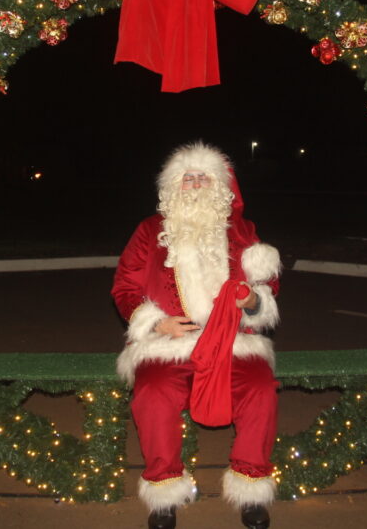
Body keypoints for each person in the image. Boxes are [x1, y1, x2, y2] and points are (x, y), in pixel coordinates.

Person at [112, 142, 282, 529]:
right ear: (173, 185)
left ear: (220, 187)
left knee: (259, 389)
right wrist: (156, 323)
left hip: (234, 342)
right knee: (153, 394)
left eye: (203, 178)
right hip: (168, 343)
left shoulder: (241, 231)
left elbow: (266, 285)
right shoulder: (149, 231)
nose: (195, 184)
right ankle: (164, 490)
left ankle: (251, 485)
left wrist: (253, 300)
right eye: (187, 178)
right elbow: (124, 286)